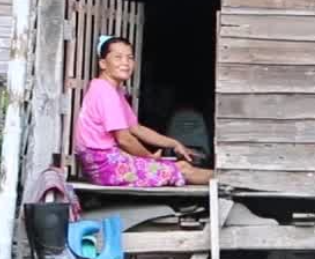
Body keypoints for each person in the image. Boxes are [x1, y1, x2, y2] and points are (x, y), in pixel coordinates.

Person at [74, 37, 213, 187]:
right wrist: (150, 158)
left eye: (130, 58)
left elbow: (136, 128)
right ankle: (231, 180)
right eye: (118, 57)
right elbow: (124, 139)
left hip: (108, 162)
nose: (125, 63)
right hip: (105, 167)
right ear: (102, 63)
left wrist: (174, 143)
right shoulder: (105, 92)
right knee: (183, 170)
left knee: (181, 166)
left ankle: (228, 178)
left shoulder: (111, 90)